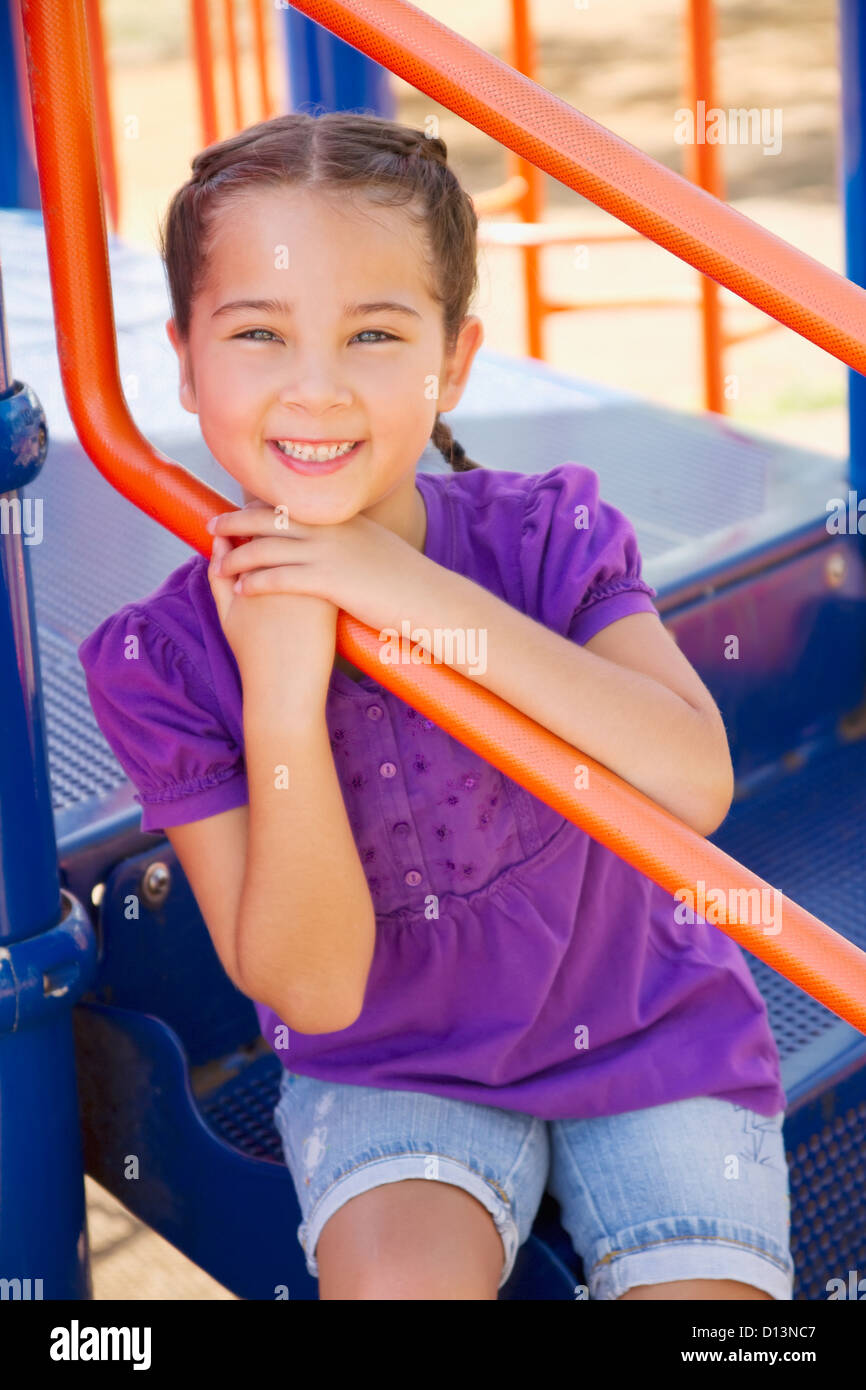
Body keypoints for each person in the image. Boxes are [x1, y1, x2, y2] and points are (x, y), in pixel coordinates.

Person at [77, 111, 793, 1302]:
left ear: (452, 362)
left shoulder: (544, 535)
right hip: (394, 1066)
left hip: (643, 1021)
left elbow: (691, 782)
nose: (316, 388)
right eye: (258, 332)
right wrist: (287, 703)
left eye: (373, 333)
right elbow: (313, 992)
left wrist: (405, 592)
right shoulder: (162, 659)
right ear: (187, 360)